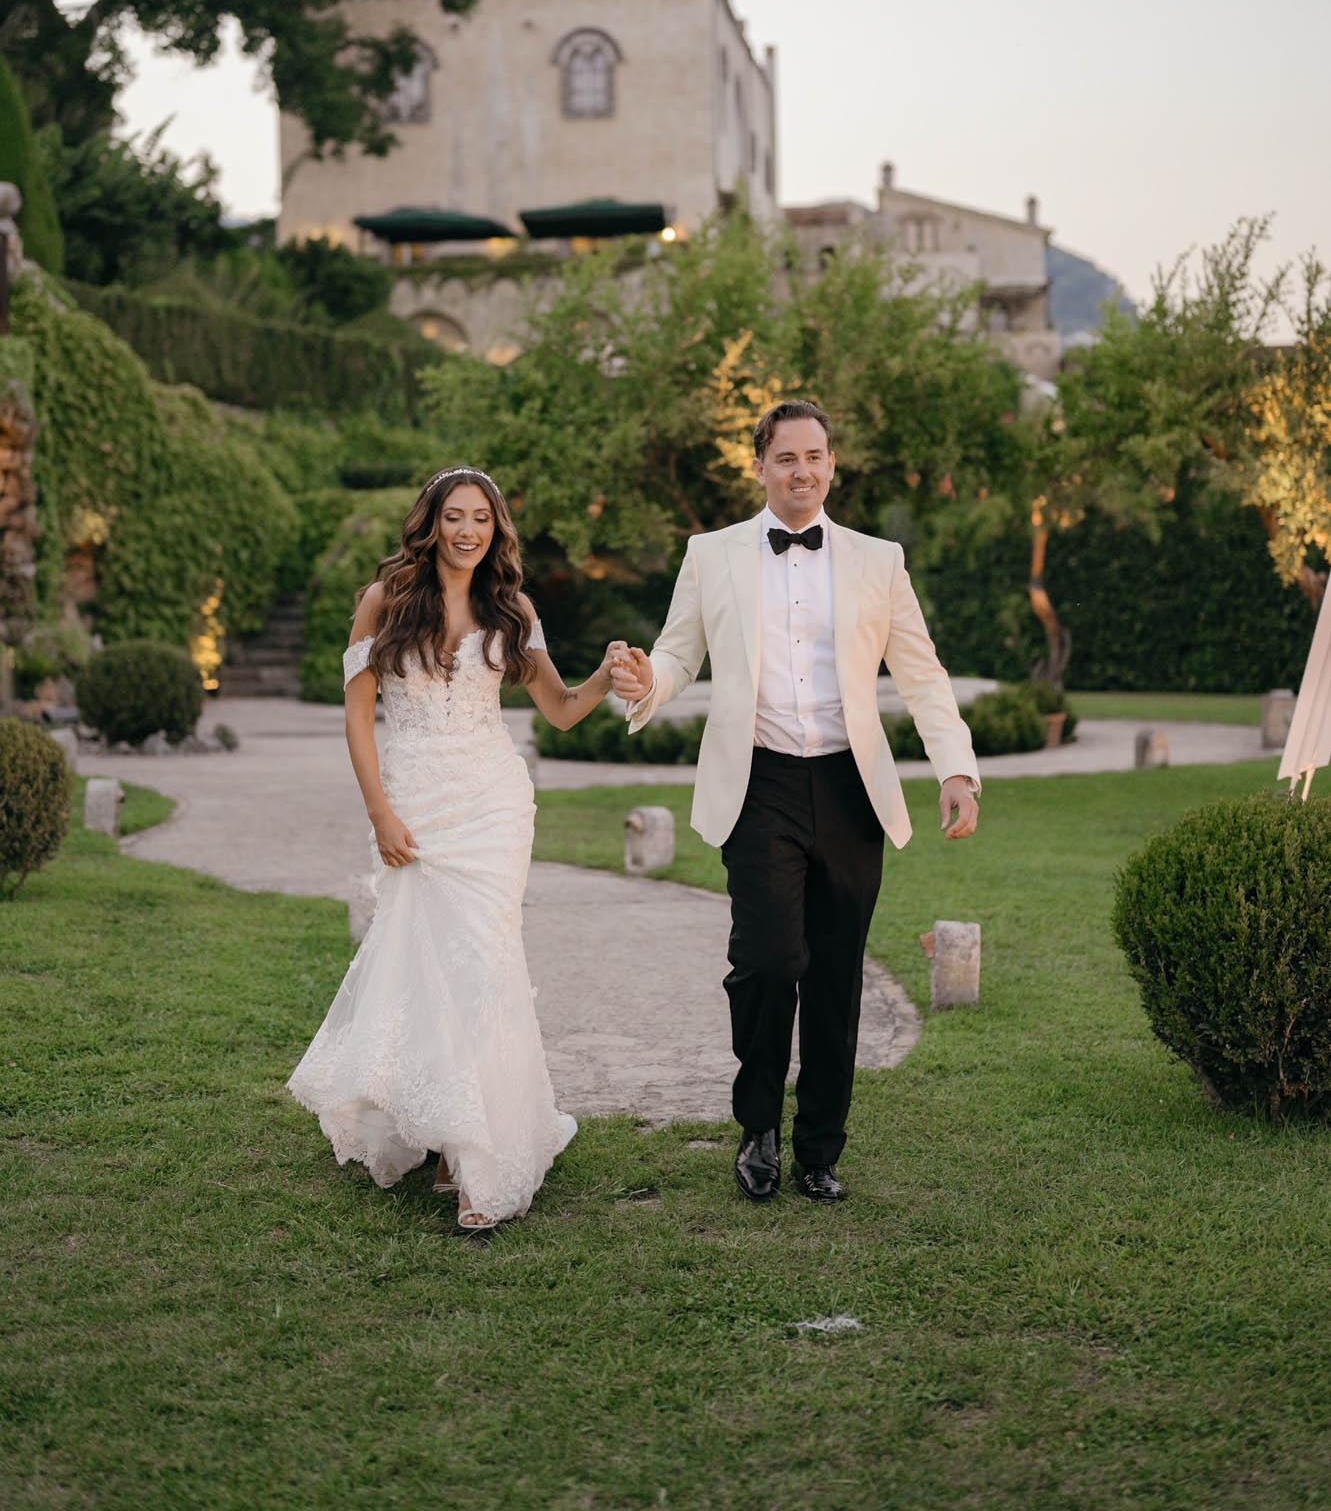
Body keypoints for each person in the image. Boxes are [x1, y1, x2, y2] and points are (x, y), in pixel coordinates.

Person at [611, 400, 980, 1207]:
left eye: (814, 456)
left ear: (832, 465)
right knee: (769, 962)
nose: (801, 470)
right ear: (759, 466)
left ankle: (818, 1149)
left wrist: (954, 768)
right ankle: (758, 1128)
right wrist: (645, 681)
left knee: (836, 976)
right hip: (758, 785)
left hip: (849, 788)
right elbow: (676, 653)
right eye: (785, 457)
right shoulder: (710, 554)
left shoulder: (878, 560)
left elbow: (920, 672)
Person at [288, 465, 623, 1234]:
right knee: (428, 966)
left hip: (494, 805)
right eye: (454, 517)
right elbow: (357, 716)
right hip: (415, 805)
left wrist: (606, 676)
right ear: (431, 523)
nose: (468, 530)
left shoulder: (513, 608)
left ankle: (475, 1159)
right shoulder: (384, 600)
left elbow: (561, 709)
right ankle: (444, 1132)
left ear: (496, 528)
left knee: (482, 965)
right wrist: (379, 812)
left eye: (481, 518)